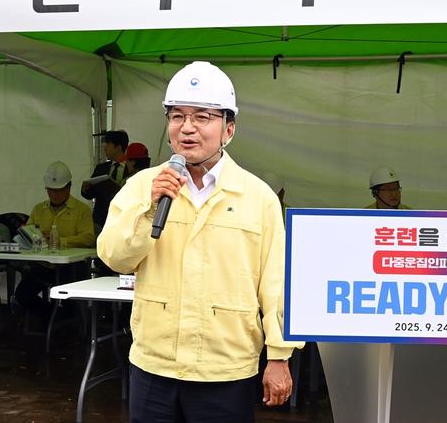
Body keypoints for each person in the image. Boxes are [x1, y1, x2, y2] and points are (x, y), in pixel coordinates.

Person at [98, 61, 302, 422]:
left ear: (229, 129)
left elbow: (277, 284)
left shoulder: (258, 198)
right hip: (154, 365)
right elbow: (114, 257)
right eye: (177, 116)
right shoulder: (143, 187)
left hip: (225, 369)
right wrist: (148, 209)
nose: (187, 127)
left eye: (202, 117)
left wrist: (279, 355)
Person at [14, 161, 95, 321]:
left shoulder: (82, 210)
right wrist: (34, 237)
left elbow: (88, 237)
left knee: (69, 299)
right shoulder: (39, 209)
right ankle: (56, 318)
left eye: (59, 190)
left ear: (69, 187)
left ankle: (62, 321)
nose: (55, 194)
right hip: (43, 266)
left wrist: (61, 241)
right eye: (51, 190)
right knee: (22, 294)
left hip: (71, 267)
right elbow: (28, 233)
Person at [81, 130, 129, 235]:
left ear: (118, 147)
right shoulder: (101, 168)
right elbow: (89, 194)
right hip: (100, 222)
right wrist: (85, 189)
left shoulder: (131, 169)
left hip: (123, 222)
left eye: (108, 145)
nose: (104, 148)